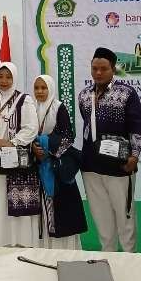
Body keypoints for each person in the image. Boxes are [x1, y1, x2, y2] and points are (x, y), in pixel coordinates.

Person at [78, 47, 141, 252]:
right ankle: (108, 257)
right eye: (94, 68)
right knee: (100, 215)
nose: (98, 73)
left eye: (103, 69)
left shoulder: (126, 93)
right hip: (90, 166)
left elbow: (136, 125)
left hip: (120, 165)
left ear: (113, 69)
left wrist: (134, 155)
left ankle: (129, 259)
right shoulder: (84, 95)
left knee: (124, 215)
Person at [0, 62, 40, 247]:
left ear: (14, 78)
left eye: (8, 77)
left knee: (14, 200)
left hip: (15, 160)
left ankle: (18, 243)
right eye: (0, 76)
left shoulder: (24, 100)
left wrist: (11, 142)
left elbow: (31, 128)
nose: (4, 81)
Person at [32, 75, 87, 249]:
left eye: (43, 88)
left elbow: (67, 137)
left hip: (57, 168)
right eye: (37, 88)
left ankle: (64, 251)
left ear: (51, 88)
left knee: (62, 213)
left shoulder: (58, 108)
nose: (40, 92)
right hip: (36, 167)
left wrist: (45, 146)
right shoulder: (30, 107)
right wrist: (33, 148)